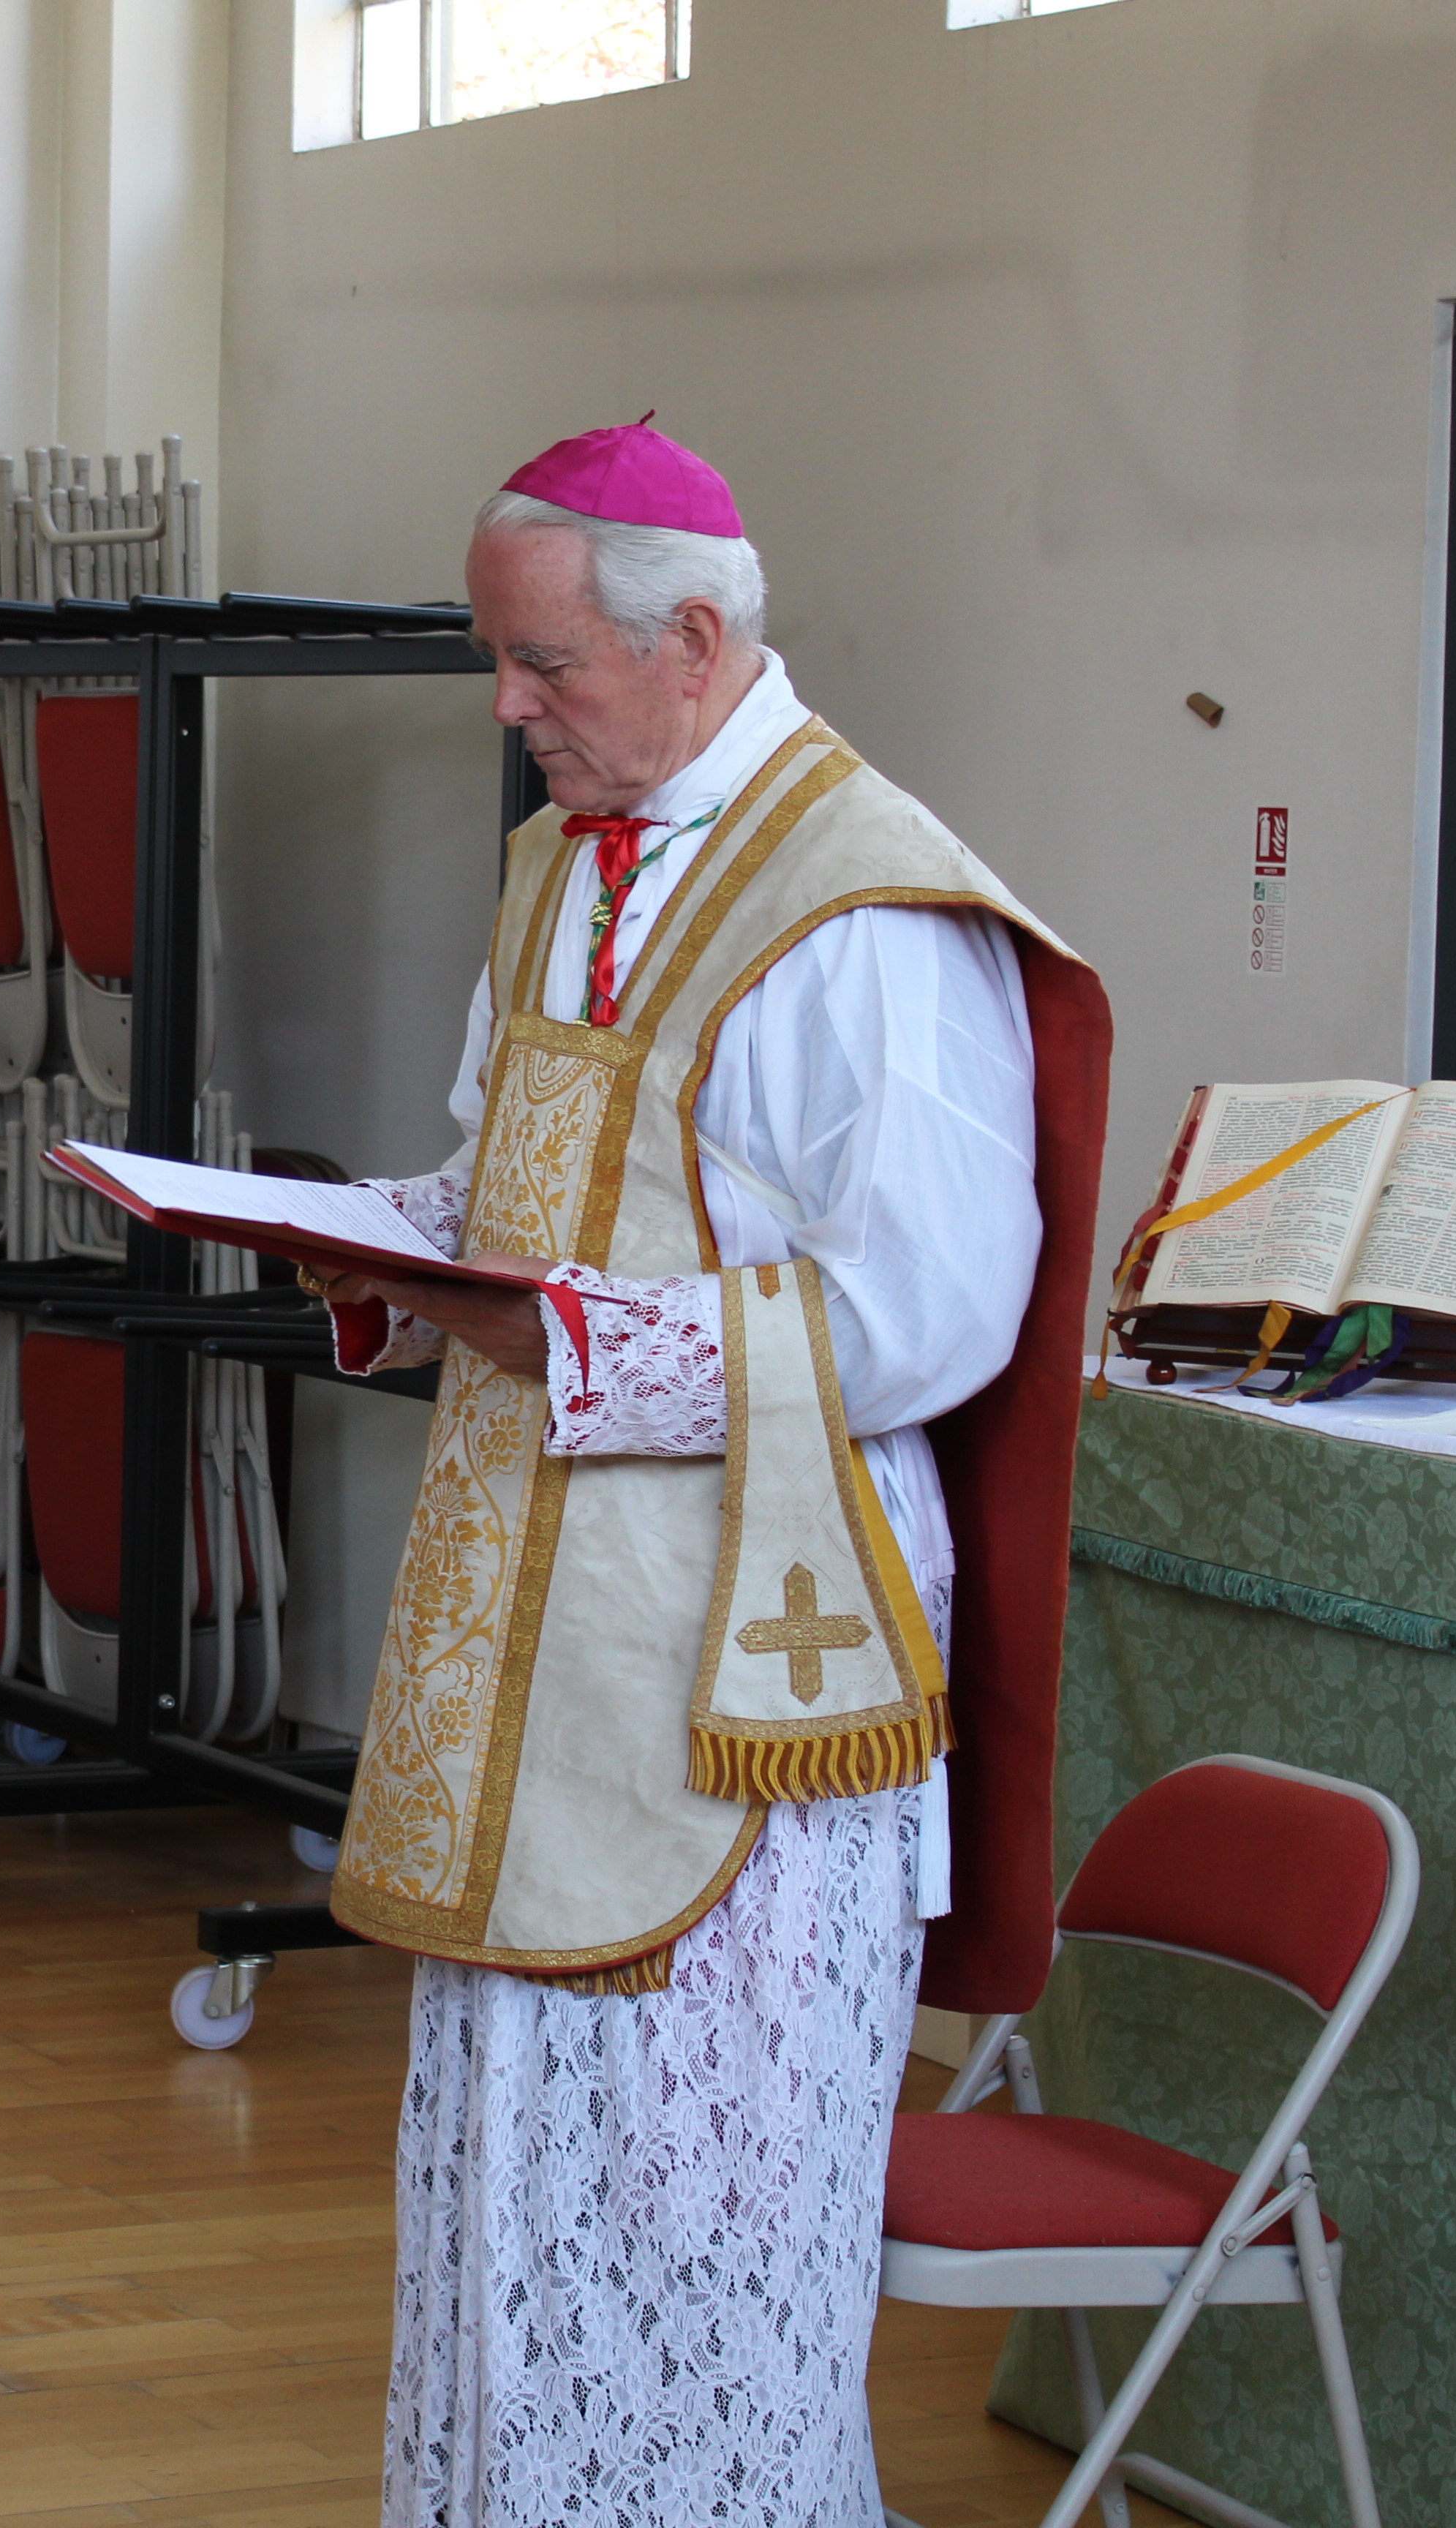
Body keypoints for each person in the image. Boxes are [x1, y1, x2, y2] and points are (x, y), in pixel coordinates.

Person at [310, 421, 1110, 2524]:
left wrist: (575, 1341)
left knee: (707, 2245)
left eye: (540, 665)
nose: (508, 708)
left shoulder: (865, 902)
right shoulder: (562, 859)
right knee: (511, 2204)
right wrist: (370, 1248)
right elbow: (519, 1183)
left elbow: (937, 1307)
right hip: (543, 1647)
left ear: (691, 638)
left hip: (758, 1673)